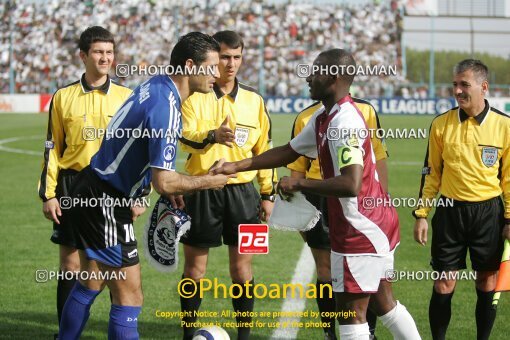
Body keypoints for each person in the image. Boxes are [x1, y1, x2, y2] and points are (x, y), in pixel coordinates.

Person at [211, 49, 421, 340]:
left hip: (361, 228)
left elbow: (350, 183)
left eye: (316, 71)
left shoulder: (344, 122)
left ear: (333, 77)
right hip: (375, 223)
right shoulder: (325, 117)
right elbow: (289, 151)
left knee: (350, 314)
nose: (308, 77)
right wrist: (236, 165)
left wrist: (300, 185)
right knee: (384, 304)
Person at [58, 32, 232, 339]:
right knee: (130, 297)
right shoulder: (166, 107)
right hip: (106, 202)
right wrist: (209, 181)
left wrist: (162, 187)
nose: (217, 74)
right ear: (190, 66)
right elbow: (163, 181)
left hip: (92, 187)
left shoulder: (157, 86)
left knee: (92, 280)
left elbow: (142, 152)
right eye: (212, 66)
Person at [178, 30, 276, 340]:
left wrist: (267, 193)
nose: (230, 64)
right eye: (224, 57)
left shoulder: (254, 100)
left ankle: (244, 334)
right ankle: (187, 331)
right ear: (212, 58)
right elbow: (185, 139)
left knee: (243, 269)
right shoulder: (195, 97)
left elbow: (265, 150)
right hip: (202, 190)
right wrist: (212, 136)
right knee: (195, 270)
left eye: (236, 57)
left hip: (245, 194)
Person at [38, 26, 133, 338]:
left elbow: (136, 150)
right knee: (70, 263)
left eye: (109, 52)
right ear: (83, 55)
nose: (105, 58)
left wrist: (138, 194)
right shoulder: (63, 97)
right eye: (98, 52)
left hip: (112, 189)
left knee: (113, 267)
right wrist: (48, 194)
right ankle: (66, 333)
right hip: (72, 186)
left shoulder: (126, 97)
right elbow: (52, 148)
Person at [413, 59, 510, 340]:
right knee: (443, 283)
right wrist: (421, 214)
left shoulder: (504, 126)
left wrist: (508, 219)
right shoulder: (441, 124)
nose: (457, 90)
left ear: (484, 87)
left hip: (488, 214)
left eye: (464, 84)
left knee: (486, 281)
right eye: (455, 84)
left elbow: (508, 180)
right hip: (449, 211)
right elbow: (431, 173)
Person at [287, 98, 389, 340]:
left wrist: (380, 201)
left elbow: (379, 156)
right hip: (318, 196)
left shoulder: (365, 111)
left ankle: (368, 332)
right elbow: (297, 165)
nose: (312, 80)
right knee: (325, 272)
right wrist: (301, 213)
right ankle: (329, 333)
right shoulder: (306, 116)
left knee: (364, 270)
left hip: (359, 196)